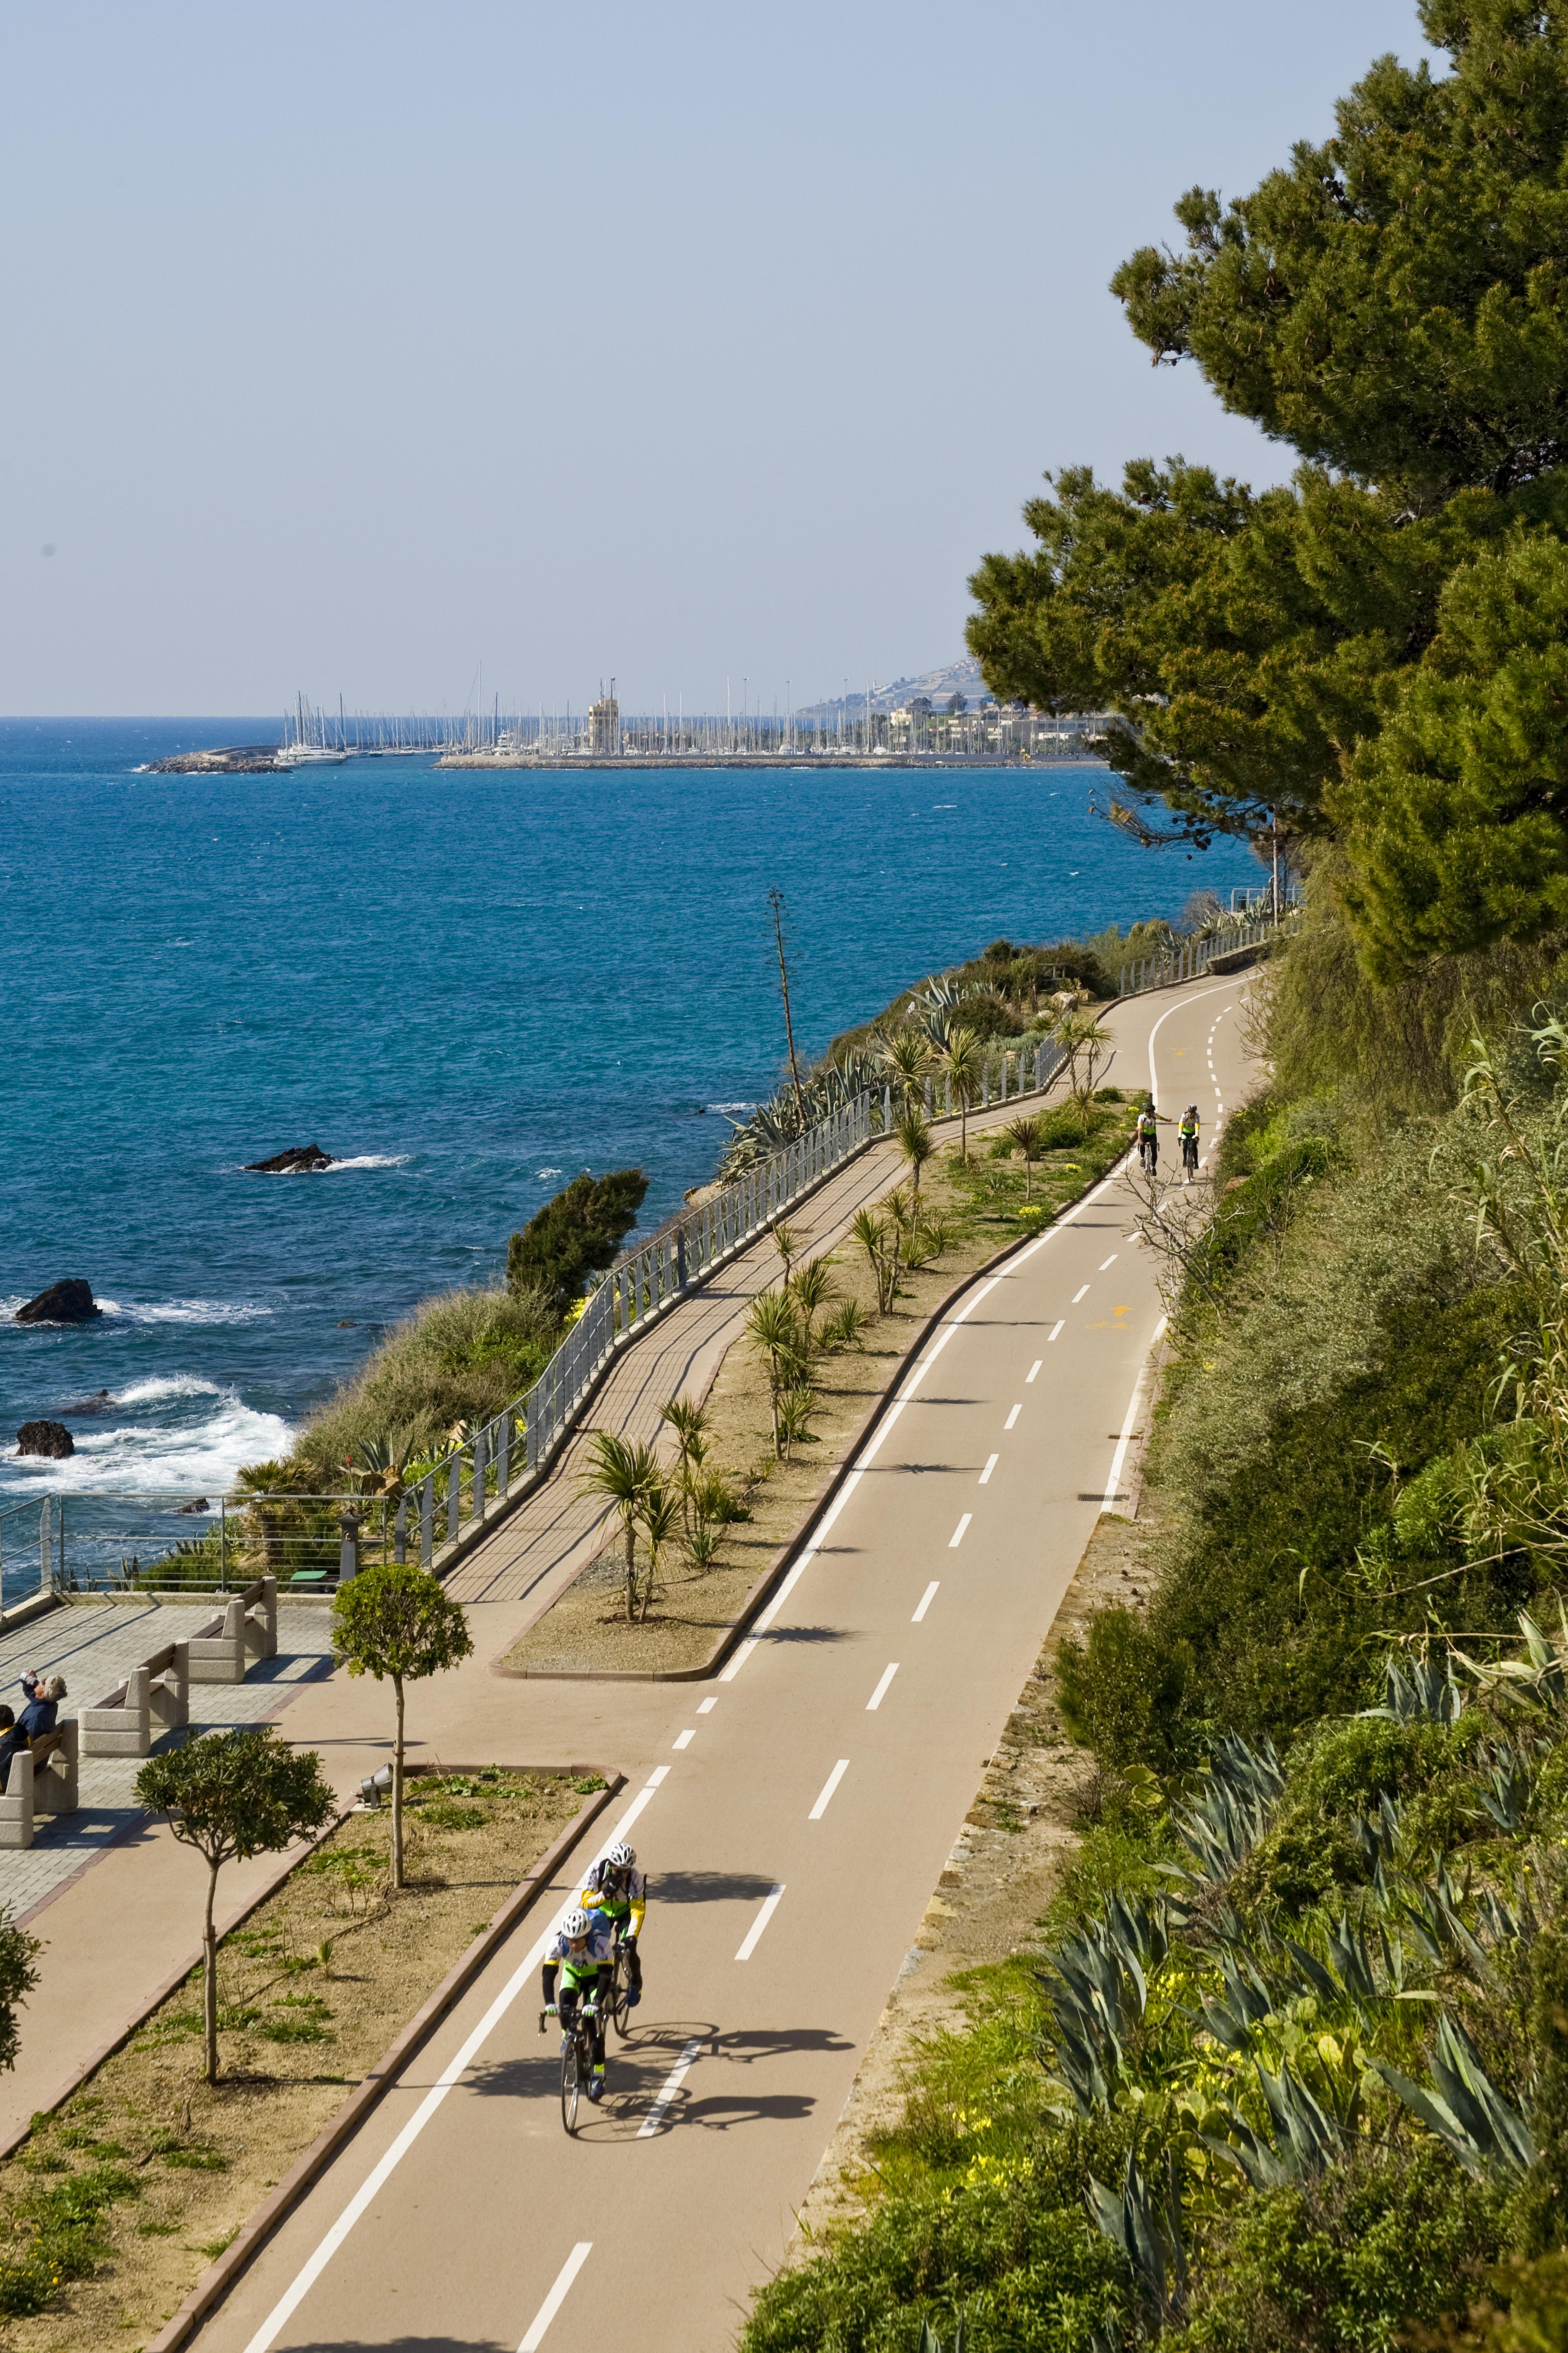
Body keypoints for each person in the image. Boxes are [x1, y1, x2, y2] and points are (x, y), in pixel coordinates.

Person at [541, 1907, 613, 2101]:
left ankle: (599, 2076)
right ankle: (568, 2037)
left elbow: (606, 1976)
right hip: (573, 1975)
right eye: (569, 1940)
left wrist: (597, 2003)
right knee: (565, 2006)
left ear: (587, 1936)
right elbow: (548, 1975)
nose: (572, 1945)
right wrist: (550, 2004)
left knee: (592, 2026)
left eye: (578, 1941)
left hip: (596, 1979)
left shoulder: (601, 1943)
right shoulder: (557, 1942)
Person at [580, 1840, 646, 2007]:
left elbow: (637, 1911)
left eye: (626, 1872)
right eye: (618, 1871)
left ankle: (636, 1982)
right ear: (610, 1865)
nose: (622, 1876)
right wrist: (605, 1894)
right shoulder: (596, 1871)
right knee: (593, 1948)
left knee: (629, 1949)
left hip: (625, 1912)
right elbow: (586, 1904)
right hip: (601, 1912)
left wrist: (631, 1937)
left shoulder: (635, 1878)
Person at [0, 1675, 64, 1794]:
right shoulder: (49, 1705)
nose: (40, 1682)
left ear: (44, 1694)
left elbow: (23, 1746)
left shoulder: (37, 1718)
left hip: (22, 1768)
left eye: (42, 1684)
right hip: (36, 1760)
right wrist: (28, 1682)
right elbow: (33, 1695)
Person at [1136, 1103, 1160, 1173]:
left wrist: (1167, 1120)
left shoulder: (1155, 1116)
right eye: (1151, 1112)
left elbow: (1161, 1118)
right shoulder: (1142, 1118)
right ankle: (1142, 1158)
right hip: (1144, 1135)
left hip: (1152, 1135)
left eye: (1153, 1112)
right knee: (1142, 1145)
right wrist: (1139, 1139)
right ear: (1147, 1112)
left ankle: (1154, 1167)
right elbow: (1139, 1129)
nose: (1153, 1114)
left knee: (1154, 1152)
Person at [1179, 1105, 1201, 1181]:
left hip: (1193, 1133)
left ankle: (1196, 1163)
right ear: (1188, 1112)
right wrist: (1179, 1136)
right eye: (1190, 1112)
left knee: (1194, 1147)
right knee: (1185, 1146)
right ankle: (1185, 1159)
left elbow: (1197, 1127)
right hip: (1185, 1133)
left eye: (1193, 1113)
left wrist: (1197, 1136)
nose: (1191, 1114)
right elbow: (1180, 1126)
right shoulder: (1184, 1116)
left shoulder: (1197, 1117)